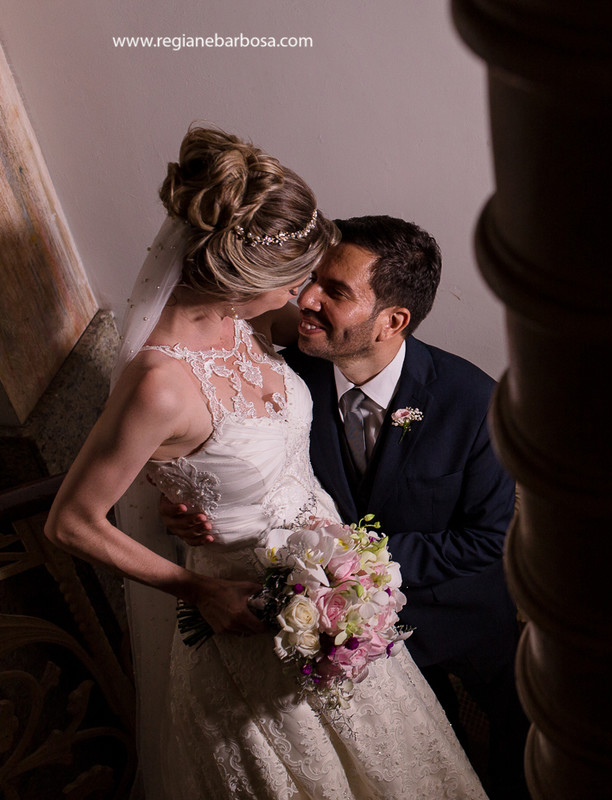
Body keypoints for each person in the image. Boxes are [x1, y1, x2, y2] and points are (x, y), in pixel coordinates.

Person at [44, 127, 487, 800]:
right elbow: (71, 523)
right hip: (244, 621)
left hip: (340, 601)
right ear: (239, 278)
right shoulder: (160, 384)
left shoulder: (255, 322)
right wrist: (199, 590)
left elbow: (358, 351)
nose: (302, 298)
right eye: (293, 279)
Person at [166, 215, 530, 800]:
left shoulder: (473, 402)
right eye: (312, 280)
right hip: (334, 641)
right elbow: (237, 470)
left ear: (393, 320)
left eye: (335, 291)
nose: (305, 299)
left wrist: (352, 561)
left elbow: (489, 539)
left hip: (460, 620)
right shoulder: (281, 380)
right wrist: (186, 508)